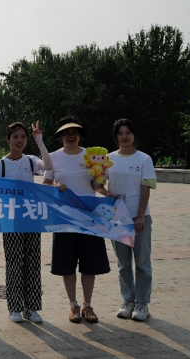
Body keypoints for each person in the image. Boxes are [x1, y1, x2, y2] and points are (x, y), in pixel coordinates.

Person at [43, 116, 114, 324]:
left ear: (80, 135)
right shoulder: (53, 158)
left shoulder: (91, 155)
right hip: (64, 216)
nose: (70, 135)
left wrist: (106, 190)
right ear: (60, 136)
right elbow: (46, 183)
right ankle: (73, 305)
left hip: (89, 216)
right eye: (66, 132)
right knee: (66, 262)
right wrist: (55, 187)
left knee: (89, 263)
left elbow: (96, 186)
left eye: (74, 131)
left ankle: (87, 305)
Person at [0, 121, 53, 324]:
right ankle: (14, 307)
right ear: (8, 140)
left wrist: (40, 142)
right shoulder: (0, 165)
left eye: (23, 137)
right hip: (11, 221)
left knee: (33, 262)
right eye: (15, 137)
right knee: (15, 263)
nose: (19, 140)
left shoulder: (30, 160)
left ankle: (31, 307)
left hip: (32, 218)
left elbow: (50, 167)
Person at [104, 118, 155, 322]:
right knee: (123, 263)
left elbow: (145, 189)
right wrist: (106, 193)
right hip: (117, 218)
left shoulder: (144, 159)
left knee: (142, 262)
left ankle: (142, 303)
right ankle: (128, 301)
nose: (124, 137)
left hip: (139, 216)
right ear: (116, 137)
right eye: (120, 133)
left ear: (134, 135)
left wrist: (140, 216)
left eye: (128, 132)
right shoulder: (108, 158)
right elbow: (98, 183)